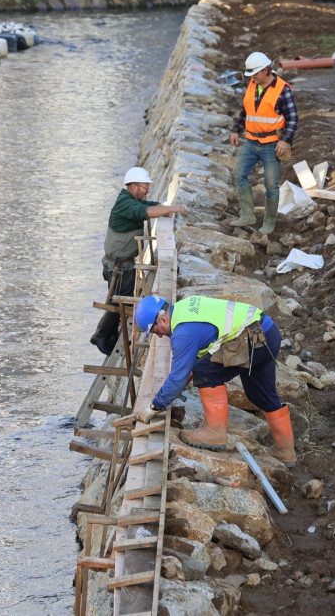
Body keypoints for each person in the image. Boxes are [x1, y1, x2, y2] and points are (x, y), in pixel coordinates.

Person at [133, 294, 296, 465]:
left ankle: (215, 433)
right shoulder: (185, 306)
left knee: (205, 372)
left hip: (251, 339)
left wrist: (156, 405)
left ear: (163, 320)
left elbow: (178, 376)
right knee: (259, 393)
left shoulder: (183, 333)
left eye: (154, 331)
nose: (158, 336)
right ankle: (285, 451)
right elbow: (199, 351)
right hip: (266, 332)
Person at [89, 167, 187, 356]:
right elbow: (147, 211)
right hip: (118, 265)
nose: (147, 190)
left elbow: (149, 205)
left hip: (123, 263)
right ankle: (101, 336)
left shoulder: (130, 200)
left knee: (120, 300)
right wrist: (173, 209)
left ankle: (107, 335)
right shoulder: (126, 205)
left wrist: (163, 208)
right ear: (134, 186)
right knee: (118, 302)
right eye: (144, 187)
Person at [229, 51, 298, 236]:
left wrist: (285, 140)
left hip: (271, 144)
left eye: (255, 73)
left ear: (266, 70)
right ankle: (248, 215)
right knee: (238, 175)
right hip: (251, 141)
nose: (252, 77)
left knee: (271, 185)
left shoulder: (283, 90)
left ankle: (269, 222)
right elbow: (245, 110)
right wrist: (236, 129)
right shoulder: (252, 85)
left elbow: (292, 118)